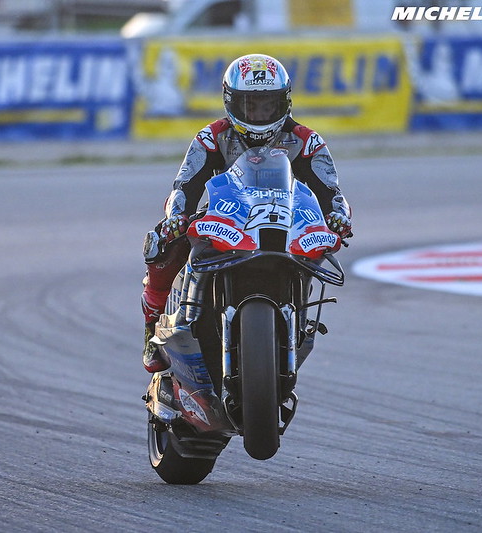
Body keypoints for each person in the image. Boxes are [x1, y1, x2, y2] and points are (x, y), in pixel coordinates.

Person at [140, 53, 352, 373]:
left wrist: (338, 218)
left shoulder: (308, 142)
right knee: (161, 245)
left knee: (320, 248)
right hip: (227, 221)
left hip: (286, 223)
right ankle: (151, 327)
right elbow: (184, 186)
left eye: (269, 105)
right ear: (232, 103)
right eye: (251, 105)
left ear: (284, 103)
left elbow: (331, 193)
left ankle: (296, 319)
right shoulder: (211, 137)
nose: (260, 113)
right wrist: (176, 218)